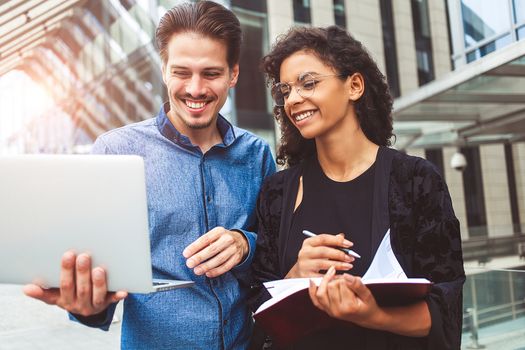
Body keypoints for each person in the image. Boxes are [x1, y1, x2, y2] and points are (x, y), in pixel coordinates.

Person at [23, 1, 275, 349]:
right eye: (182, 72)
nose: (196, 88)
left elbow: (275, 256)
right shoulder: (116, 151)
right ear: (163, 70)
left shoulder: (257, 155)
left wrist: (245, 243)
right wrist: (88, 305)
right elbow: (96, 267)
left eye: (211, 74)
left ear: (233, 74)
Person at [248, 25, 465, 349]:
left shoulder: (416, 181)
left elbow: (445, 311)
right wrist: (295, 276)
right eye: (285, 90)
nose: (293, 99)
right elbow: (259, 314)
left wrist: (372, 314)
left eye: (308, 83)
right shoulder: (277, 193)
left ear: (355, 85)